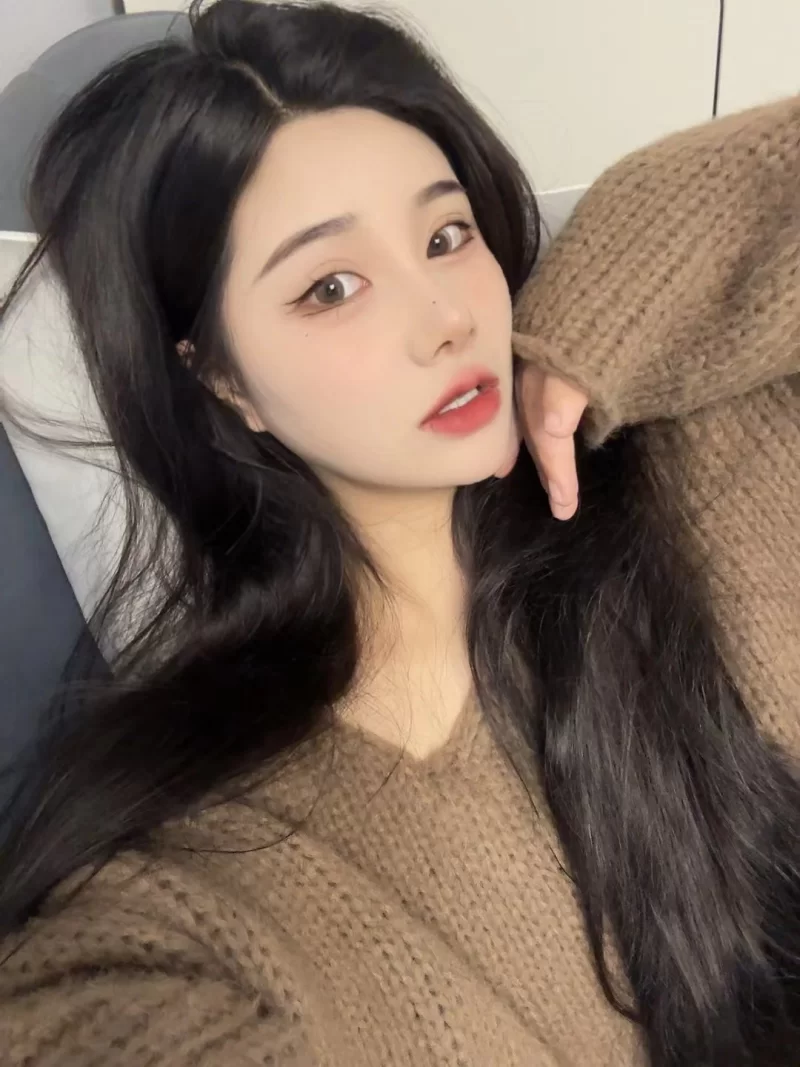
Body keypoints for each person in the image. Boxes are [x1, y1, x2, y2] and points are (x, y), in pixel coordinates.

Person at [0, 1, 797, 1064]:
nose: (445, 317)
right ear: (223, 376)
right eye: (331, 287)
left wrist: (599, 315)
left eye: (445, 235)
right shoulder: (215, 872)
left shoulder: (696, 474)